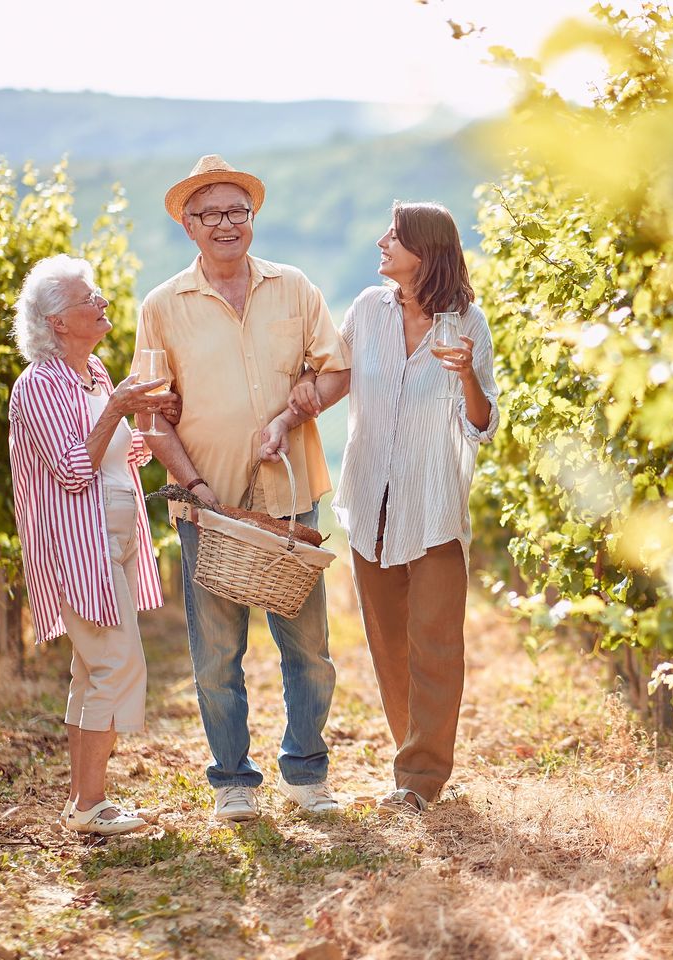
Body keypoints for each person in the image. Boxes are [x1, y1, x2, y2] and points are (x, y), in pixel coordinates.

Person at [134, 155, 350, 822]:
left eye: (237, 211)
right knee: (215, 655)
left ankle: (306, 773)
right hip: (209, 508)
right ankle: (232, 781)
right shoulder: (163, 307)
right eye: (211, 214)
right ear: (188, 226)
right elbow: (151, 412)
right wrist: (193, 487)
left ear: (251, 219)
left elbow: (335, 372)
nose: (226, 223)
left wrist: (291, 415)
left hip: (288, 502)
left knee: (307, 648)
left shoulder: (295, 287)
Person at [273, 201, 499, 816]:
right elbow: (337, 378)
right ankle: (410, 762)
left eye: (393, 236)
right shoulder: (367, 311)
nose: (380, 242)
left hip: (434, 508)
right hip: (370, 500)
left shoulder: (466, 323)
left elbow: (483, 425)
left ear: (424, 250)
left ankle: (421, 779)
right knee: (390, 647)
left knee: (435, 644)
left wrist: (466, 378)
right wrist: (296, 406)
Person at [8, 254, 178, 835]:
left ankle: (84, 804)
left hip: (117, 534)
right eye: (90, 298)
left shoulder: (97, 373)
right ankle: (92, 803)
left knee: (92, 669)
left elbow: (119, 456)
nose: (102, 302)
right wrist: (119, 409)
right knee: (116, 663)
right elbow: (74, 468)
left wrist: (147, 419)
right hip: (79, 542)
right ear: (58, 321)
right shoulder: (38, 384)